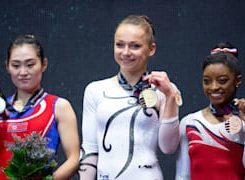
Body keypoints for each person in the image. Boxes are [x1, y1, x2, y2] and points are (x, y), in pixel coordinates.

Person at [78, 15, 182, 180]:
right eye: (120, 45)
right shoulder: (95, 90)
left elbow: (168, 147)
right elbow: (89, 149)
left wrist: (169, 96)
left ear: (151, 49)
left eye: (135, 46)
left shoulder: (165, 90)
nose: (126, 52)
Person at [0, 35, 80, 180]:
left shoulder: (59, 106)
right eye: (16, 66)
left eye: (30, 65)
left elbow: (74, 159)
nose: (23, 72)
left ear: (44, 64)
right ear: (8, 67)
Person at [175, 42, 245, 180]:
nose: (213, 87)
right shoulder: (190, 122)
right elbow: (182, 175)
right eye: (207, 81)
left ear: (237, 80)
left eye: (222, 80)